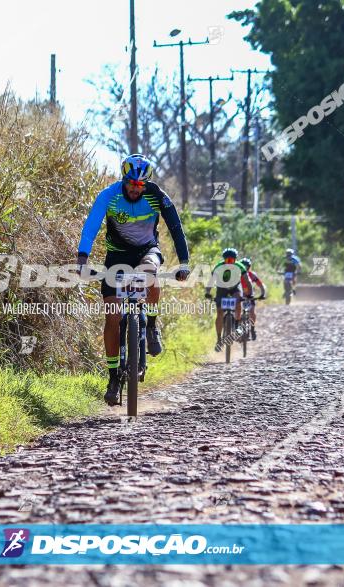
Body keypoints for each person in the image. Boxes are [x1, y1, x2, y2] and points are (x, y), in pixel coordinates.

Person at [76, 154, 190, 405]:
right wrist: (82, 258)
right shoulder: (109, 195)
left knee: (149, 271)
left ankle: (150, 326)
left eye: (139, 185)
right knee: (113, 317)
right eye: (130, 183)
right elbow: (91, 225)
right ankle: (114, 377)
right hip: (116, 256)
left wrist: (184, 263)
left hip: (146, 250)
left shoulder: (157, 195)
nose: (134, 189)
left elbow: (176, 229)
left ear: (146, 183)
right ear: (123, 179)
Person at [204, 248, 251, 352]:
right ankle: (219, 339)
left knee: (238, 300)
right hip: (222, 287)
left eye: (232, 260)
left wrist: (249, 294)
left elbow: (247, 281)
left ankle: (237, 325)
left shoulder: (240, 266)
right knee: (220, 312)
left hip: (235, 287)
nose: (229, 262)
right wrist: (207, 292)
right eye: (227, 260)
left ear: (235, 259)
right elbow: (211, 281)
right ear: (224, 259)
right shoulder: (218, 266)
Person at [239, 257, 266, 339]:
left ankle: (252, 329)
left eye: (246, 266)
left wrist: (262, 294)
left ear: (249, 267)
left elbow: (260, 284)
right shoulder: (236, 274)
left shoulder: (252, 275)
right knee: (237, 312)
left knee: (252, 312)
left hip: (249, 296)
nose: (245, 268)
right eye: (243, 266)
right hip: (239, 296)